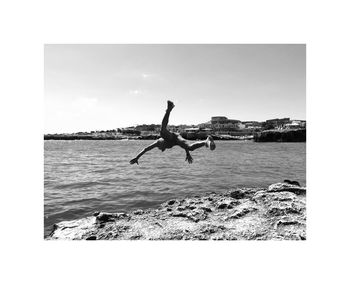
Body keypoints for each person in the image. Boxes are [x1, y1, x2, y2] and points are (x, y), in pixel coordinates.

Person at [130, 100, 216, 165]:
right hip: (176, 139)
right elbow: (184, 145)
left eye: (161, 148)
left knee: (162, 132)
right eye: (161, 149)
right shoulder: (164, 146)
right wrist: (188, 153)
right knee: (190, 147)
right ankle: (207, 141)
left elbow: (146, 149)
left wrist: (137, 157)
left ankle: (168, 110)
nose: (161, 150)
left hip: (171, 136)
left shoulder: (158, 143)